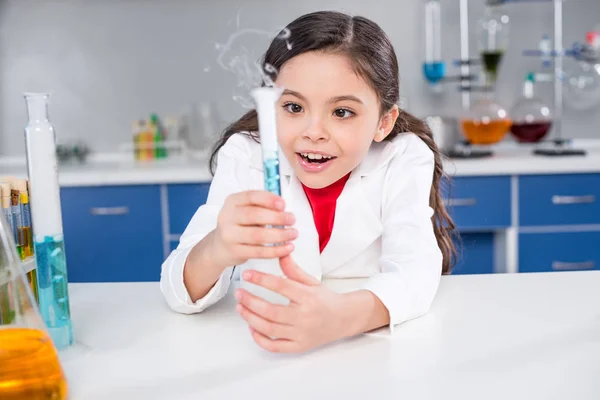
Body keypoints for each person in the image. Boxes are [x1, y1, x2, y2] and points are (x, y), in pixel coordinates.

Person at [160, 10, 457, 353]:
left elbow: (416, 269)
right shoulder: (246, 156)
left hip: (368, 353)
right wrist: (218, 247)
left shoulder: (403, 158)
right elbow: (177, 291)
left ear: (383, 121)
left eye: (342, 112)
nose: (313, 133)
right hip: (258, 355)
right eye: (293, 107)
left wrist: (340, 318)